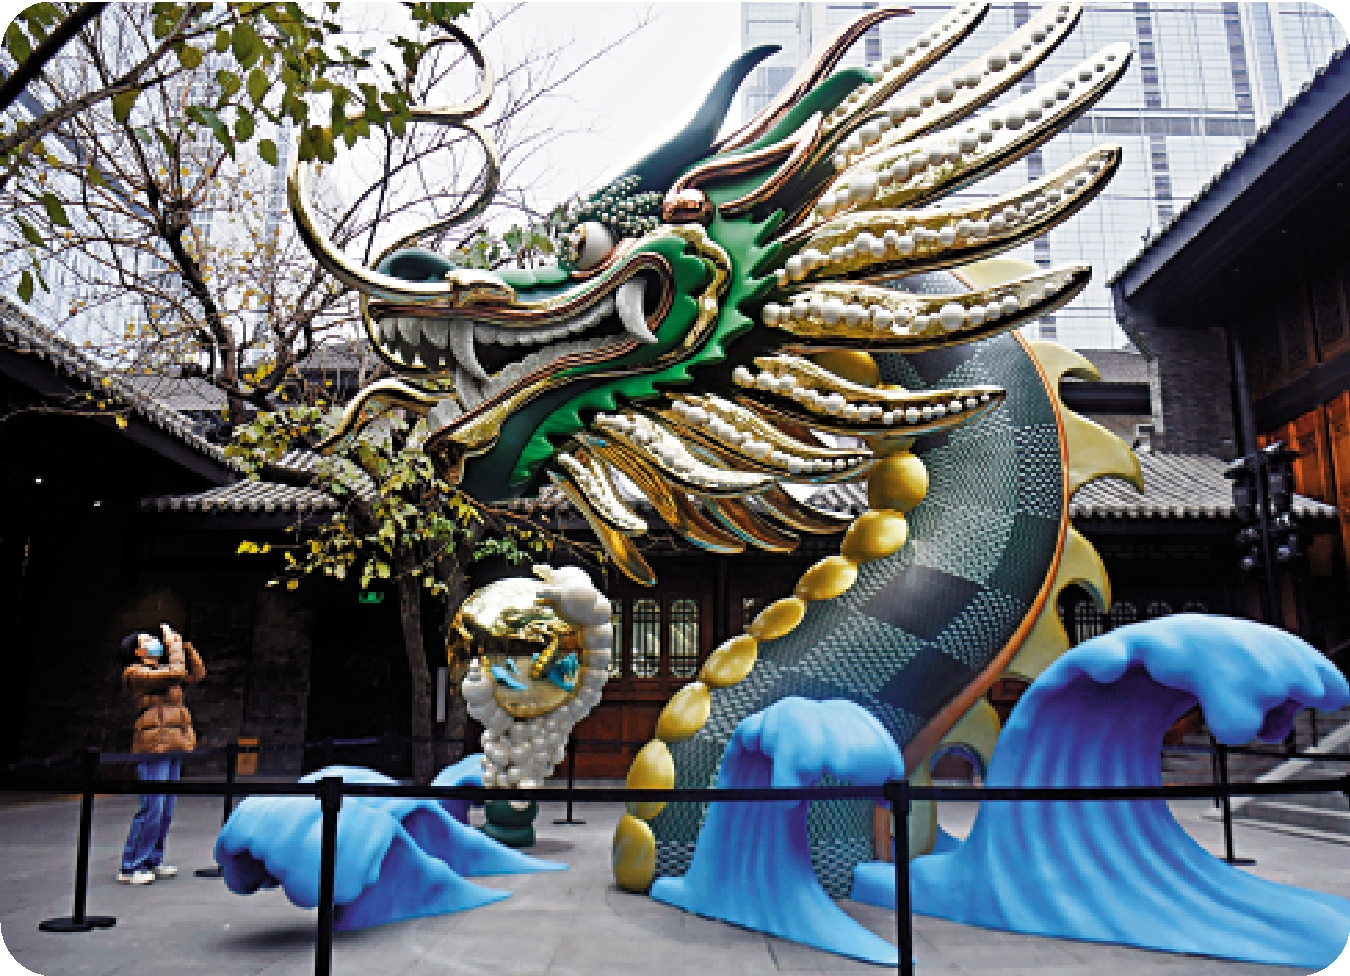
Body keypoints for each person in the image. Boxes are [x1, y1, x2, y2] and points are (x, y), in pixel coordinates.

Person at [117, 623, 206, 885]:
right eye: (148, 640)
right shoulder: (135, 673)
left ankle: (153, 860)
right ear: (137, 651)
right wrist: (173, 646)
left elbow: (196, 674)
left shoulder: (165, 670)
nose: (155, 642)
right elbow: (176, 672)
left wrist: (185, 646)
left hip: (174, 743)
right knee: (152, 808)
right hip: (153, 745)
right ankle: (131, 865)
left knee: (166, 809)